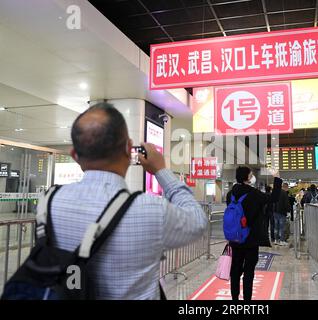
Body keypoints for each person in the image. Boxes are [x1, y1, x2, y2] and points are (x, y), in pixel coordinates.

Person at [46, 103, 208, 299]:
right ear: (128, 149)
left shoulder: (51, 202)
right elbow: (198, 222)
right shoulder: (151, 210)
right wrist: (161, 171)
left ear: (74, 155)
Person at [226, 166, 281, 301]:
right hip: (250, 239)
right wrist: (277, 177)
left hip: (235, 238)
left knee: (235, 270)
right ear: (248, 177)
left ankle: (234, 299)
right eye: (251, 174)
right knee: (249, 271)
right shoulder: (254, 193)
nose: (252, 176)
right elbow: (274, 197)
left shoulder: (230, 194)